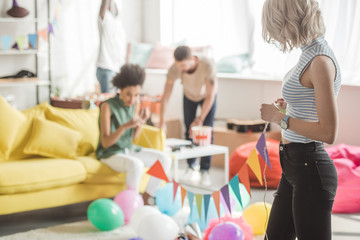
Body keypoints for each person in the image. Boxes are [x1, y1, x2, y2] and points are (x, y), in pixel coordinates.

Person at [260, 0, 341, 239]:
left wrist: (281, 118)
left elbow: (328, 132)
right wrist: (289, 110)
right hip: (293, 166)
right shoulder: (309, 53)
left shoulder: (320, 61)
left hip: (310, 168)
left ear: (288, 20)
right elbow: (310, 104)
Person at [96, 64, 172, 205]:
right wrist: (125, 126)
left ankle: (145, 199)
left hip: (128, 150)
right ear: (120, 90)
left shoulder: (135, 103)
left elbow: (133, 138)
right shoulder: (107, 106)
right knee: (136, 165)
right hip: (109, 154)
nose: (132, 99)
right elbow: (106, 143)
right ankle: (132, 204)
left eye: (136, 95)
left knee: (165, 159)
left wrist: (141, 122)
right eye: (128, 94)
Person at [159, 46, 218, 186]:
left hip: (207, 97)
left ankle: (205, 170)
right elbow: (165, 96)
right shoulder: (175, 68)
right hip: (189, 96)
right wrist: (162, 121)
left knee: (206, 131)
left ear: (192, 59)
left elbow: (210, 95)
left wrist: (199, 119)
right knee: (188, 130)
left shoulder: (207, 65)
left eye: (183, 65)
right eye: (178, 66)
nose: (181, 69)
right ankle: (191, 166)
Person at [96, 0, 126, 93]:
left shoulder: (118, 24)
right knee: (107, 101)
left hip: (116, 69)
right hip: (106, 68)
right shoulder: (105, 21)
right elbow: (103, 8)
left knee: (114, 101)